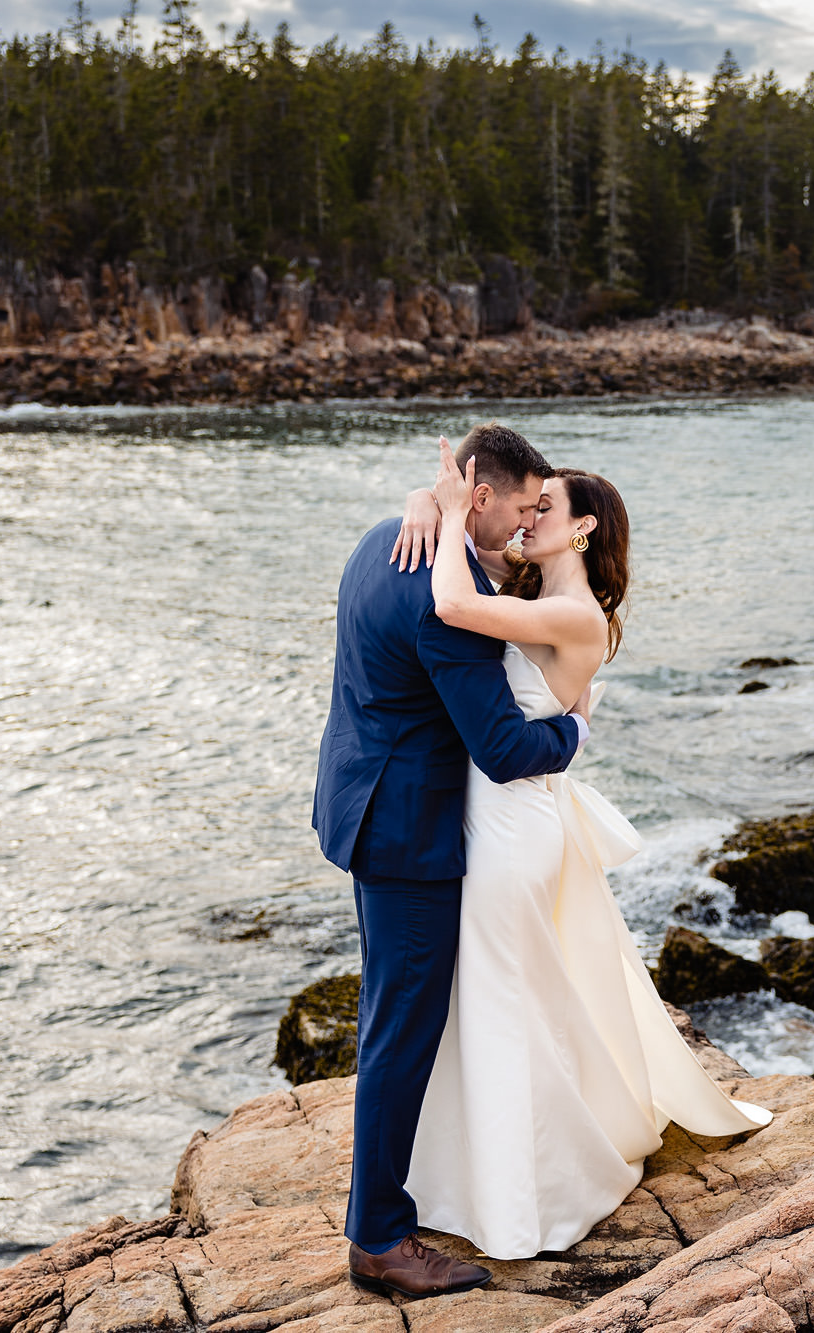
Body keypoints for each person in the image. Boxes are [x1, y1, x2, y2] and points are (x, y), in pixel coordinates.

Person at [388, 436, 770, 1262]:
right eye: (526, 506)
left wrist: (449, 510)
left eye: (545, 508)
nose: (527, 518)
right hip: (491, 818)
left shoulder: (573, 614)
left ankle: (521, 1197)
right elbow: (472, 573)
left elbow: (450, 604)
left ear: (584, 527)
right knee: (494, 999)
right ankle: (468, 1179)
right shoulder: (530, 589)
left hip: (509, 831)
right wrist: (427, 503)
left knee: (501, 1003)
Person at [312, 422, 587, 1298]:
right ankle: (380, 1239)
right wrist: (575, 730)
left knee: (384, 1013)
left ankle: (385, 1198)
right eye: (515, 507)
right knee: (401, 1031)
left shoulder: (380, 543)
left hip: (357, 801)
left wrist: (430, 506)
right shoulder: (449, 599)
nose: (521, 524)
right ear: (478, 496)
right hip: (409, 838)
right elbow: (504, 748)